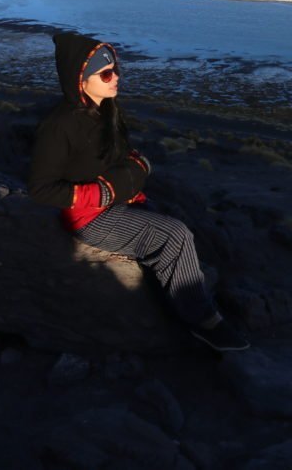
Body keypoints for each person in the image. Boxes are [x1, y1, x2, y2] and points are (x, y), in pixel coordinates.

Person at [27, 32, 249, 353]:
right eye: (106, 73)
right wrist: (103, 193)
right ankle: (203, 322)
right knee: (174, 235)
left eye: (115, 69)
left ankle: (179, 300)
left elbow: (126, 157)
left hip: (120, 203)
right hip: (91, 219)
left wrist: (134, 169)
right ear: (81, 79)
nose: (115, 77)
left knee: (177, 224)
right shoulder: (60, 125)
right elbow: (40, 188)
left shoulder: (104, 113)